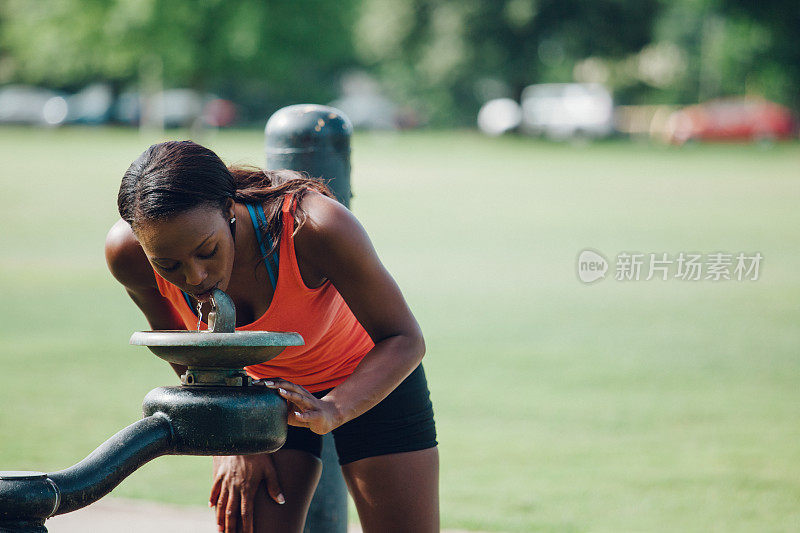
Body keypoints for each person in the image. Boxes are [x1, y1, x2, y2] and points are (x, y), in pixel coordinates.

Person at [105, 140, 438, 533]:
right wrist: (230, 433)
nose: (195, 277)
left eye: (207, 251)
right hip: (257, 395)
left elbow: (404, 338)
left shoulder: (313, 226)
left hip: (368, 375)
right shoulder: (127, 255)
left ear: (229, 209)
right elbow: (181, 345)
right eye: (168, 264)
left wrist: (332, 409)